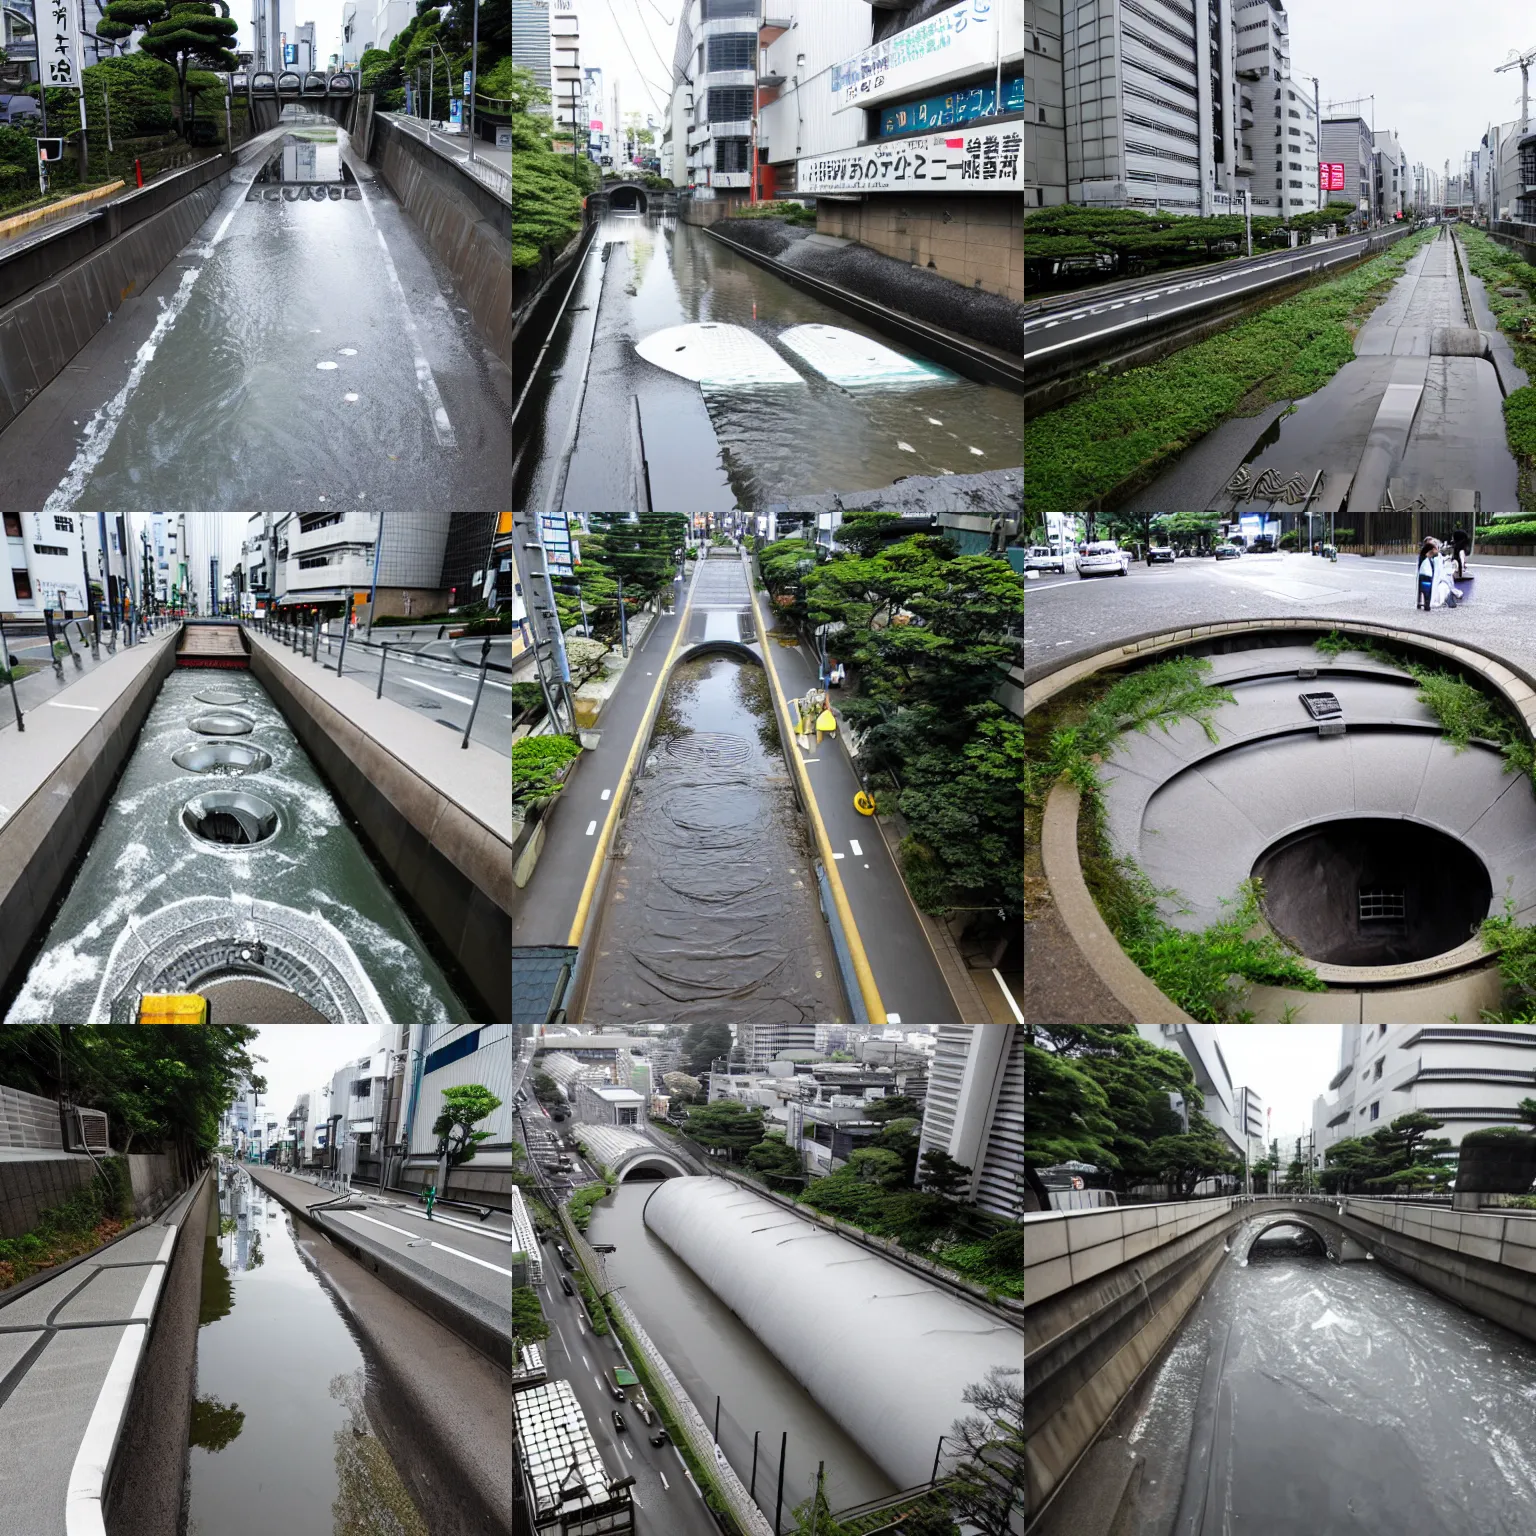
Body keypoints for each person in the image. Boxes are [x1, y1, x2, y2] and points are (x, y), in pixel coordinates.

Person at [1416, 538, 1438, 611]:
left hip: (1425, 576)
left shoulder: (1427, 558)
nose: (1436, 551)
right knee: (1427, 592)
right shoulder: (1424, 558)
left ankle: (1422, 603)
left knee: (1424, 591)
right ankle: (1426, 604)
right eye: (1435, 549)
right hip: (1426, 576)